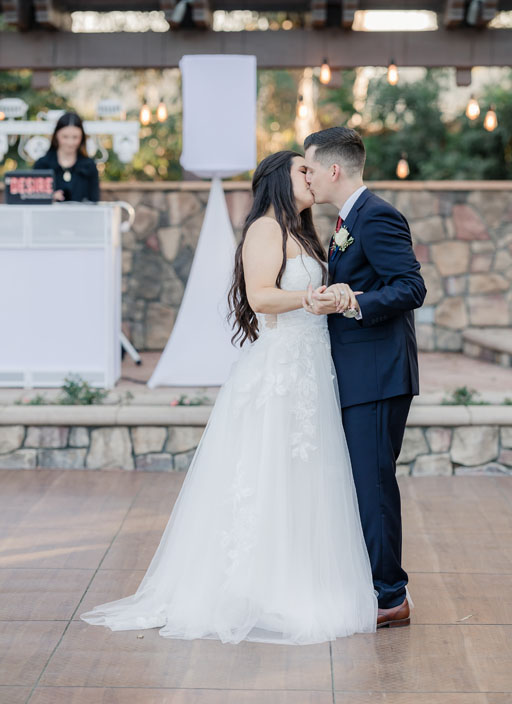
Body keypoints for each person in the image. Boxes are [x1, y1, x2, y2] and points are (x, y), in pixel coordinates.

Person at [81, 150, 378, 644]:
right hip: (279, 371)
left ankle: (299, 578)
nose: (310, 177)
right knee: (267, 474)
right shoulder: (265, 228)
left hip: (309, 370)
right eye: (301, 170)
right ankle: (252, 588)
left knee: (305, 476)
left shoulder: (303, 233)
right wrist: (312, 298)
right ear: (279, 180)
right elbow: (260, 296)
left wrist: (332, 295)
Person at [303, 126, 426, 629]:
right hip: (362, 373)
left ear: (334, 169)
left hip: (378, 375)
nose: (307, 178)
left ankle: (389, 595)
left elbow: (411, 287)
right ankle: (376, 584)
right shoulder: (348, 218)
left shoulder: (376, 215)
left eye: (310, 168)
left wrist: (354, 303)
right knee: (364, 483)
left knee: (373, 486)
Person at [34, 111, 99, 203]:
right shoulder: (42, 165)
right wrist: (49, 198)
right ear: (56, 136)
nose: (70, 142)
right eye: (65, 137)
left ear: (82, 138)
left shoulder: (89, 166)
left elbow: (94, 201)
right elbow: (34, 199)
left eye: (75, 137)